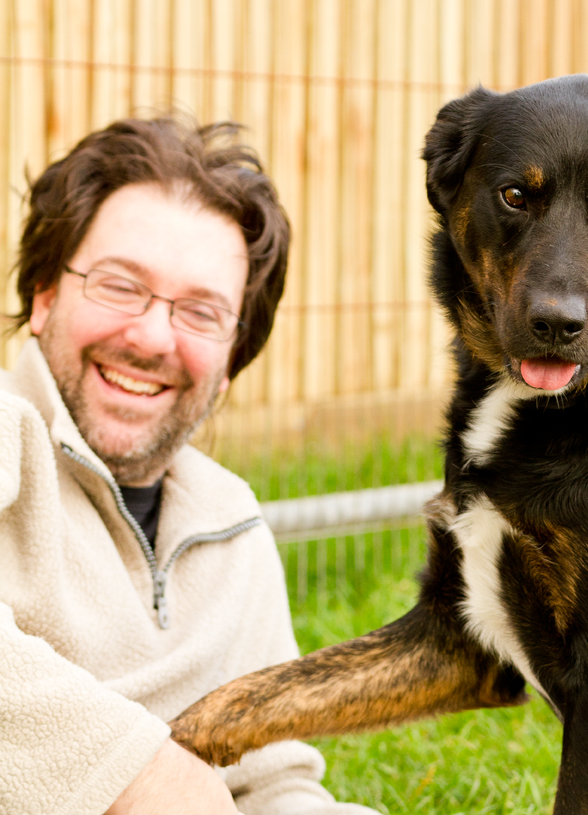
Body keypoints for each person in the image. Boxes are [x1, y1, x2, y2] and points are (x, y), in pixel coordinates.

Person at [0, 117, 379, 815]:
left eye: (201, 312)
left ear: (232, 361)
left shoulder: (233, 528)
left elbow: (273, 783)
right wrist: (137, 774)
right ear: (45, 295)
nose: (150, 337)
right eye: (119, 285)